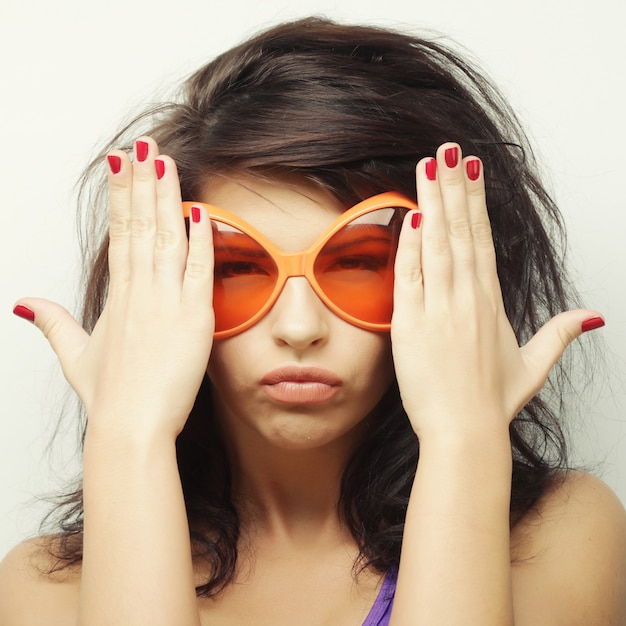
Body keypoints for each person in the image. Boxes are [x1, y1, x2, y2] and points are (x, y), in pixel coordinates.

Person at [1, 16, 625, 626]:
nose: (299, 328)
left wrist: (464, 439)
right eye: (237, 267)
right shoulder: (44, 592)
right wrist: (127, 435)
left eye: (358, 264)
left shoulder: (558, 542)